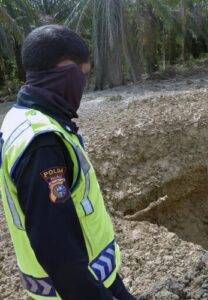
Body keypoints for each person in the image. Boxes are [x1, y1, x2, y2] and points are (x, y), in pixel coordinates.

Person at [0, 25, 135, 300]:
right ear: (67, 71)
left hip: (93, 278)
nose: (83, 89)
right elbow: (57, 248)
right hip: (79, 289)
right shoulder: (42, 143)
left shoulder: (21, 117)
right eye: (82, 77)